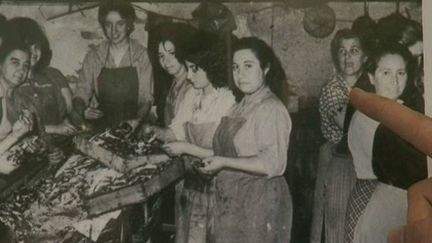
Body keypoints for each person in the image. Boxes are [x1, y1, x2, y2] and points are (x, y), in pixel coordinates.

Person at [192, 37, 292, 243]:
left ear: (265, 69)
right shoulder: (239, 106)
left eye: (248, 66)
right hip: (233, 200)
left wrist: (223, 163)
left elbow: (274, 163)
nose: (240, 74)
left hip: (259, 204)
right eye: (236, 67)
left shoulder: (271, 108)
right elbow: (227, 152)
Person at [143, 32, 235, 243]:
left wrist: (185, 148)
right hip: (190, 185)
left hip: (217, 187)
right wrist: (153, 131)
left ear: (210, 66)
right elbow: (175, 131)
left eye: (195, 69)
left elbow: (223, 153)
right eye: (189, 67)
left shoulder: (226, 100)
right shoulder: (191, 94)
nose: (190, 75)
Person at [345, 42, 424, 243]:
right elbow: (410, 168)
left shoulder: (397, 109)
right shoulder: (368, 115)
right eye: (386, 73)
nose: (395, 82)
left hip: (397, 198)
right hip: (378, 200)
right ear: (371, 77)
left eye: (401, 73)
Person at [311, 28, 373, 243]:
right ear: (335, 56)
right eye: (342, 51)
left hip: (365, 162)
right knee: (338, 226)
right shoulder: (333, 89)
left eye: (354, 50)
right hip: (340, 161)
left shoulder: (369, 85)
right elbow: (351, 126)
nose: (347, 57)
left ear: (365, 56)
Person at [73, 0, 153, 131]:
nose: (114, 31)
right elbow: (80, 93)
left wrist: (136, 121)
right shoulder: (94, 55)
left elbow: (146, 99)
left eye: (120, 24)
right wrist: (83, 110)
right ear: (103, 26)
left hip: (133, 127)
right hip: (102, 129)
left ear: (128, 24)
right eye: (109, 25)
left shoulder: (141, 55)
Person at [7, 17, 76, 164]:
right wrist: (55, 129)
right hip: (38, 155)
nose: (33, 52)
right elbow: (18, 131)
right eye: (27, 47)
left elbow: (71, 108)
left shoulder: (52, 75)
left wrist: (72, 119)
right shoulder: (12, 87)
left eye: (36, 46)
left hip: (67, 145)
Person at [150, 22, 196, 127]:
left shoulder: (192, 85)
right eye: (161, 56)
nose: (166, 61)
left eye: (171, 53)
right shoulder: (172, 82)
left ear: (182, 51)